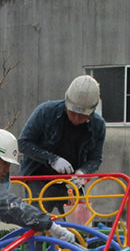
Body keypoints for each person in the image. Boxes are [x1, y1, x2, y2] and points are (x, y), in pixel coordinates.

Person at [18, 74, 106, 216]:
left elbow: (95, 159)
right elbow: (23, 143)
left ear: (91, 113)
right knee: (38, 221)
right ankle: (38, 238)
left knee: (77, 227)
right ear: (66, 105)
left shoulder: (98, 125)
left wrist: (83, 172)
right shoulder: (46, 112)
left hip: (71, 182)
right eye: (73, 113)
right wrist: (52, 159)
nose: (77, 119)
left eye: (83, 116)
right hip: (38, 177)